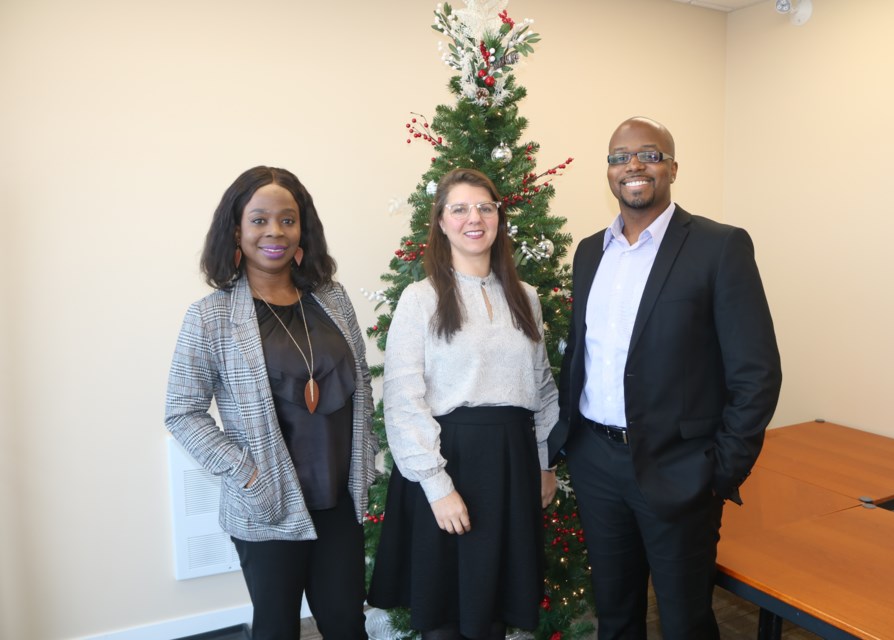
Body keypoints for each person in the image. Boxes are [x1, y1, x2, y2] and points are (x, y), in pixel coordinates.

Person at [548, 117, 782, 639]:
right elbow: (582, 356)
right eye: (619, 157)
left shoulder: (719, 248)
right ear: (608, 173)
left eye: (649, 154)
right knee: (616, 614)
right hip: (596, 463)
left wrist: (721, 471)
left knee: (684, 621)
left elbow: (757, 372)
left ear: (672, 167)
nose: (633, 165)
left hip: (680, 469)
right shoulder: (590, 251)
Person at [165, 166, 376, 640]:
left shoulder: (333, 300)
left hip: (340, 499)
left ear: (304, 229)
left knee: (347, 625)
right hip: (268, 504)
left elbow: (358, 379)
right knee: (278, 629)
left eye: (288, 219)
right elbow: (182, 410)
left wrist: (370, 453)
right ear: (236, 229)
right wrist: (247, 472)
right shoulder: (211, 316)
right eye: (259, 220)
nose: (274, 232)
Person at [368, 168, 559, 640]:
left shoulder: (526, 298)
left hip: (512, 468)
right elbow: (402, 398)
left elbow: (542, 387)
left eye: (485, 207)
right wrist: (436, 485)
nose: (474, 218)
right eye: (460, 208)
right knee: (447, 615)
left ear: (498, 218)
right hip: (450, 465)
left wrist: (544, 463)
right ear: (440, 222)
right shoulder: (421, 299)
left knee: (495, 609)